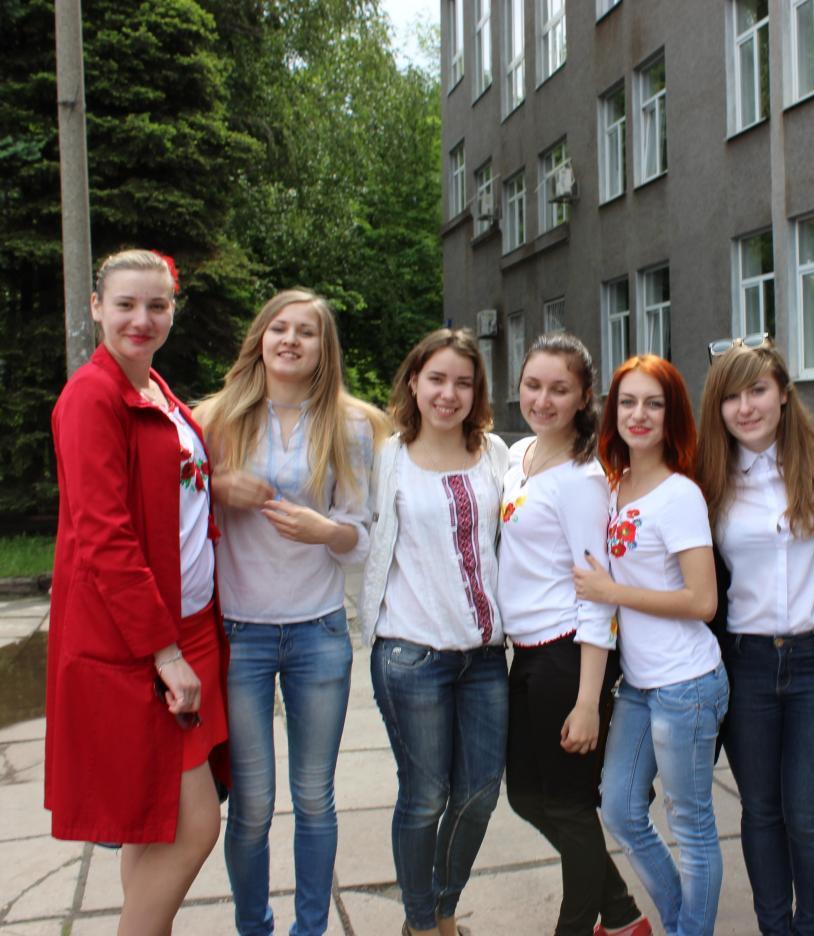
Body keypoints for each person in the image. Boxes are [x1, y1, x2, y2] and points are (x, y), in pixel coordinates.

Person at [45, 248, 229, 934]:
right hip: (141, 645)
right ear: (97, 307)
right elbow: (104, 538)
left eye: (157, 305)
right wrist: (163, 652)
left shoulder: (156, 389)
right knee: (195, 824)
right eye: (125, 304)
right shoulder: (91, 396)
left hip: (191, 628)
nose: (141, 319)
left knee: (157, 824)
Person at [195, 289, 384, 936]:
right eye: (280, 327)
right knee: (251, 805)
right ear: (261, 337)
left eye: (307, 332)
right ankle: (254, 926)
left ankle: (311, 929)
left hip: (318, 632)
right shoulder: (215, 420)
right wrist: (216, 487)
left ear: (323, 350)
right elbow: (176, 505)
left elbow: (360, 535)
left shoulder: (350, 425)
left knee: (313, 799)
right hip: (240, 633)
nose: (291, 340)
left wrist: (324, 530)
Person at [694, 340, 814, 936]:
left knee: (809, 815)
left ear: (783, 392)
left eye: (757, 390)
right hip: (745, 664)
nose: (746, 406)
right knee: (761, 812)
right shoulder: (707, 478)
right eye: (731, 396)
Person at [359, 328, 509, 936]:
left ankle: (443, 904)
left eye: (463, 383)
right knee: (425, 796)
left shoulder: (496, 453)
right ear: (414, 383)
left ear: (477, 392)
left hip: (485, 659)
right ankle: (424, 924)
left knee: (480, 795)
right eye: (437, 379)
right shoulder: (387, 456)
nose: (449, 394)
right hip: (410, 656)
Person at [498, 333, 648, 936]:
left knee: (567, 805)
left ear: (585, 396)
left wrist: (588, 702)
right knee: (525, 797)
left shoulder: (584, 478)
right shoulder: (520, 455)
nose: (543, 400)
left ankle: (580, 926)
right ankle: (623, 914)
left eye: (559, 389)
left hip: (567, 656)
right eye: (533, 385)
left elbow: (597, 594)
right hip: (527, 655)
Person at [572, 354, 727, 936]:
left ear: (671, 415)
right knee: (619, 809)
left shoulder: (679, 495)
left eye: (654, 404)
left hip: (686, 684)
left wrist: (614, 592)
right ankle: (684, 923)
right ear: (612, 411)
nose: (639, 414)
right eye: (628, 402)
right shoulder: (616, 486)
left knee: (691, 824)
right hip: (638, 684)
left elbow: (702, 601)